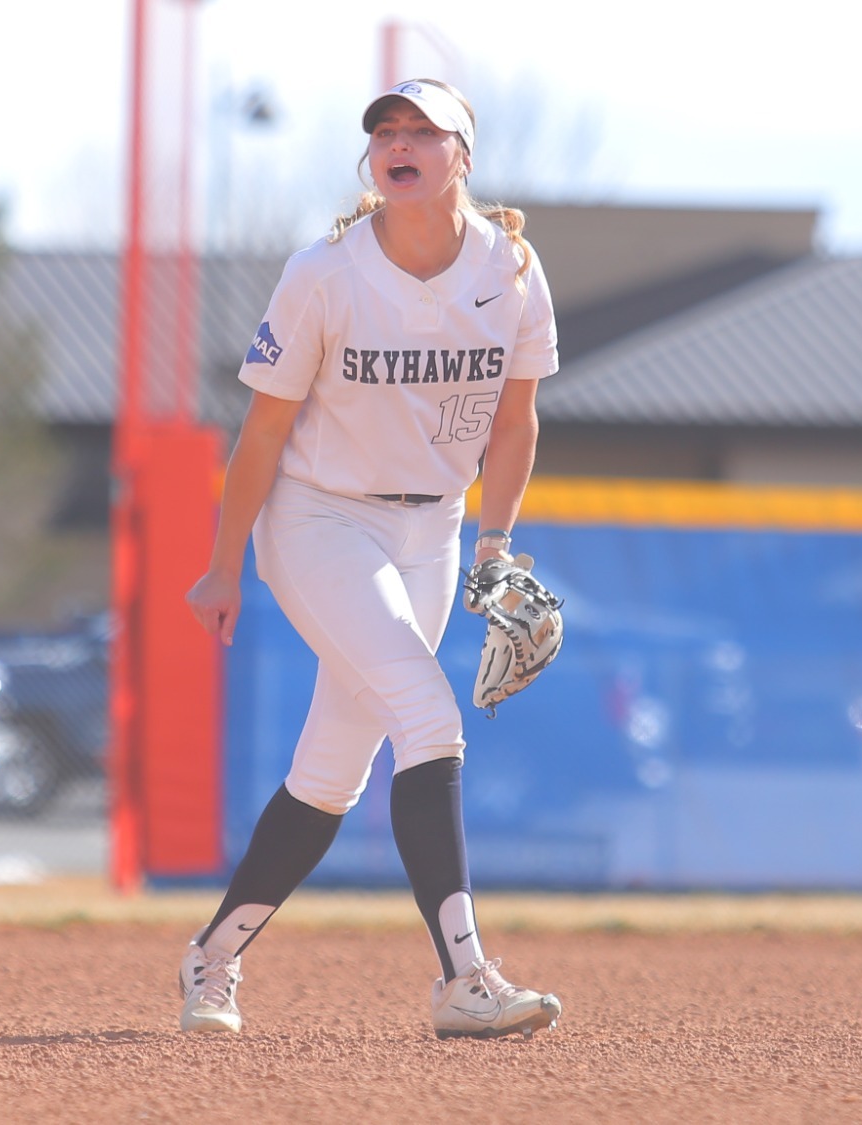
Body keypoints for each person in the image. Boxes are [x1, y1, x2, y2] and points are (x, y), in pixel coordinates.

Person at [179, 78, 563, 1039]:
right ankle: (466, 977)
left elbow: (517, 421)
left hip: (430, 528)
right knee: (427, 711)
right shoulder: (326, 271)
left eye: (421, 131)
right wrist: (225, 564)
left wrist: (497, 542)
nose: (399, 142)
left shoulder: (510, 269)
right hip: (319, 520)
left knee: (330, 772)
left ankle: (212, 958)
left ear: (461, 157)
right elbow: (263, 432)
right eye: (385, 131)